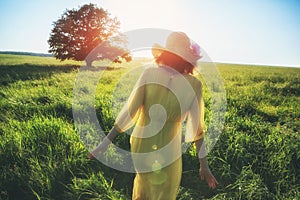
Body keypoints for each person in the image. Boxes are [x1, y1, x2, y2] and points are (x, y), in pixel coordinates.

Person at [88, 31, 218, 199]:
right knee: (161, 190)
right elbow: (197, 129)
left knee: (149, 188)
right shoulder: (188, 83)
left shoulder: (164, 77)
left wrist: (105, 142)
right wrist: (204, 166)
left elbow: (130, 113)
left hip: (154, 145)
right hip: (160, 146)